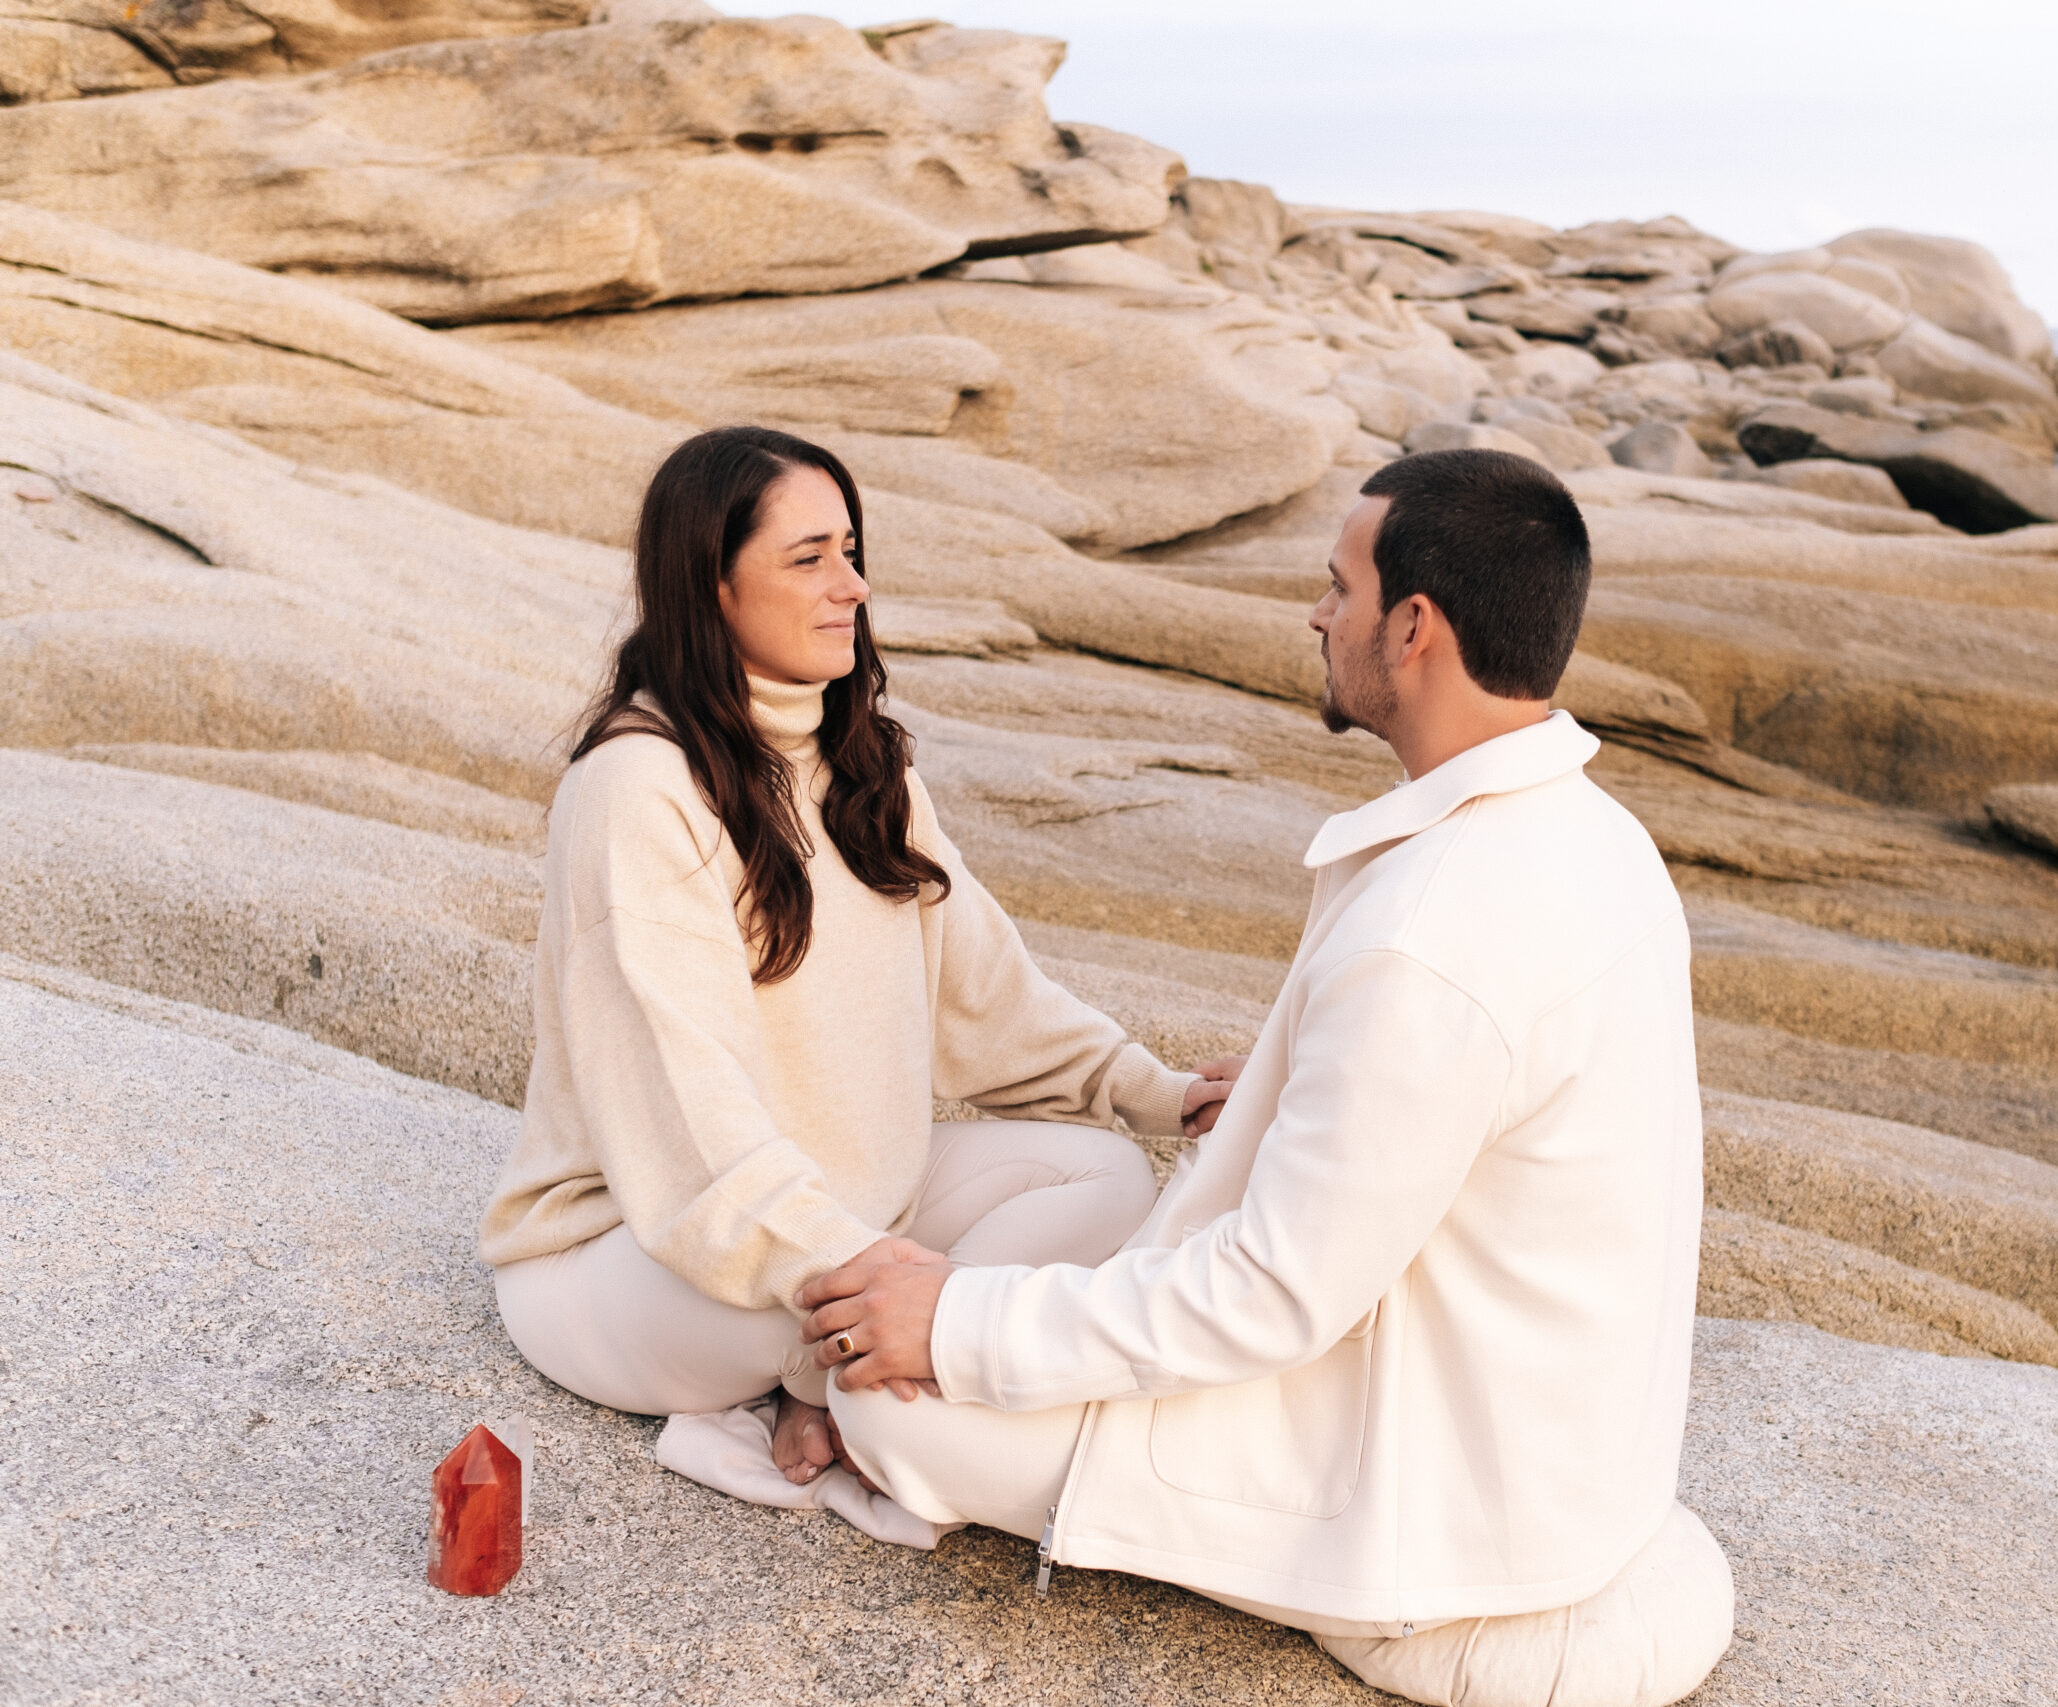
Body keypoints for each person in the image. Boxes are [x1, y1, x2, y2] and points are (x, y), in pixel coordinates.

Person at [798, 448, 1731, 1706]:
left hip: (1444, 1503)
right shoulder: (1596, 839)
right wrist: (1304, 1099)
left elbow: (1274, 1298)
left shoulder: (1433, 930)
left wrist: (953, 1321)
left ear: (1413, 627)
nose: (1315, 613)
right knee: (1053, 1266)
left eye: (1338, 586)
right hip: (1548, 1444)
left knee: (896, 1407)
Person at [481, 426, 1236, 1489]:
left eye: (850, 550)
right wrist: (866, 1271)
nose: (853, 586)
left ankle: (826, 1393)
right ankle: (837, 1385)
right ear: (713, 586)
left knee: (1104, 1174)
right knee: (788, 1310)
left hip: (832, 1218)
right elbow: (684, 1111)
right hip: (631, 1259)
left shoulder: (861, 762)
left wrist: (1161, 1094)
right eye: (809, 560)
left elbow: (992, 997)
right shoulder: (635, 789)